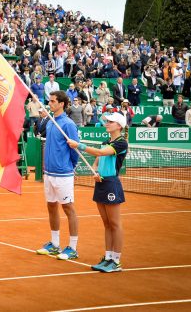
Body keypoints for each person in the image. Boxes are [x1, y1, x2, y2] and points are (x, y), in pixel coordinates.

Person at [67, 112, 128, 273]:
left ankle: (116, 260)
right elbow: (97, 162)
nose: (107, 123)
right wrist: (95, 172)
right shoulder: (105, 141)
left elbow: (101, 153)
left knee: (115, 223)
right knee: (107, 224)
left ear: (119, 126)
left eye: (111, 122)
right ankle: (108, 257)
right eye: (107, 121)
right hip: (101, 184)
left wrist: (78, 145)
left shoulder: (121, 143)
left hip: (112, 185)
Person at [37, 90, 80, 261]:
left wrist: (70, 167)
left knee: (68, 208)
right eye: (49, 101)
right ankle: (55, 245)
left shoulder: (68, 124)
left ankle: (73, 247)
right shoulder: (50, 122)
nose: (50, 104)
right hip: (49, 173)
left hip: (63, 174)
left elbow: (75, 148)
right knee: (51, 206)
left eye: (53, 101)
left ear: (61, 103)